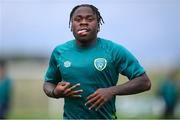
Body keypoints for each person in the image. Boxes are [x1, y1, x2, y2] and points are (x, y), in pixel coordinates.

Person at [43, 4, 151, 119]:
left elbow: (144, 82)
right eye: (77, 19)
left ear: (98, 25)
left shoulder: (113, 50)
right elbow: (48, 83)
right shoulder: (60, 52)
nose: (83, 22)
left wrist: (111, 91)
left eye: (89, 19)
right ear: (71, 26)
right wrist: (55, 92)